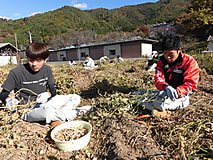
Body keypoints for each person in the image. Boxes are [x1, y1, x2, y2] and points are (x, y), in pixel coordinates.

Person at [0, 42, 91, 127]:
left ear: (46, 59)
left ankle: (58, 115)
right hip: (28, 109)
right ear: (27, 57)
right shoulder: (16, 72)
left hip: (45, 102)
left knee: (75, 98)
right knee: (47, 113)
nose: (34, 64)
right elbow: (3, 94)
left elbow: (53, 90)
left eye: (39, 61)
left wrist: (48, 94)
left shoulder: (47, 70)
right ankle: (72, 113)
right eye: (31, 60)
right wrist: (9, 100)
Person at [137, 33, 200, 114]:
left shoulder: (189, 61)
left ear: (179, 50)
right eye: (165, 54)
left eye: (171, 54)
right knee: (136, 95)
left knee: (161, 104)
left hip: (181, 94)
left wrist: (177, 92)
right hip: (165, 92)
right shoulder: (161, 61)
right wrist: (166, 87)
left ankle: (156, 109)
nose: (168, 57)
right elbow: (158, 78)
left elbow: (190, 84)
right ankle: (155, 109)